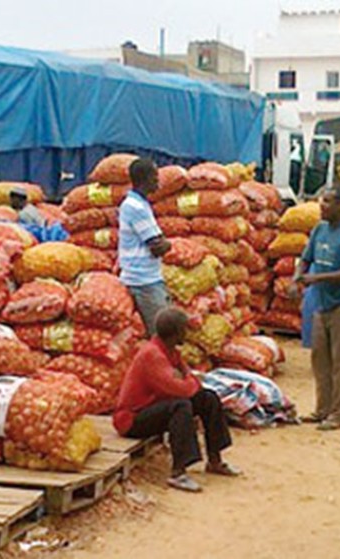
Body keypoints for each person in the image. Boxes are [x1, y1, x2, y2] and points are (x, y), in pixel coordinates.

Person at [114, 308, 240, 492]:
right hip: (132, 419)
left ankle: (215, 459)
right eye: (184, 330)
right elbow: (181, 388)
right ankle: (178, 472)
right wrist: (186, 380)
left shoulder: (171, 351)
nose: (187, 334)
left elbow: (189, 378)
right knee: (181, 406)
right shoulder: (152, 354)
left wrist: (186, 379)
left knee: (208, 398)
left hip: (153, 406)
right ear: (176, 333)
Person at [294, 188, 340, 431]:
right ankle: (322, 408)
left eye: (327, 201)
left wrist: (318, 278)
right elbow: (306, 258)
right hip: (322, 303)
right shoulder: (319, 230)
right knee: (319, 359)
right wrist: (299, 275)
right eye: (321, 201)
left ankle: (337, 414)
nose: (321, 205)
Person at [118, 158, 172, 337]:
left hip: (144, 277)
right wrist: (168, 244)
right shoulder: (136, 207)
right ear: (144, 178)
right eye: (155, 176)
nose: (158, 180)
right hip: (143, 281)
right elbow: (157, 246)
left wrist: (163, 241)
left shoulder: (139, 204)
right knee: (163, 334)